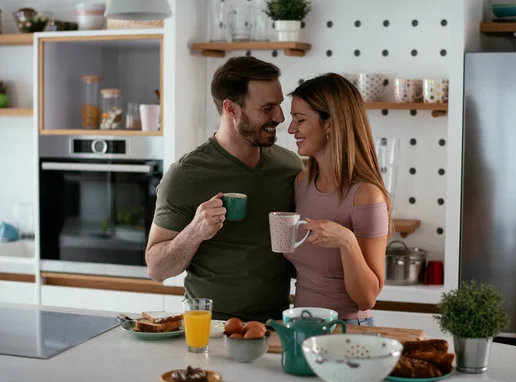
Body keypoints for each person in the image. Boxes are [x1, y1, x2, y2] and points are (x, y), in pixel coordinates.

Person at [145, 56, 304, 322]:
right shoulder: (185, 175)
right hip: (210, 327)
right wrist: (196, 231)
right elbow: (157, 269)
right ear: (231, 109)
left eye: (279, 105)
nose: (280, 116)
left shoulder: (290, 166)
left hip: (277, 325)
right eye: (267, 108)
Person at [285, 73, 392, 326]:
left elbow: (366, 298)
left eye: (300, 120)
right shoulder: (302, 183)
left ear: (331, 123)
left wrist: (346, 241)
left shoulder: (366, 195)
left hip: (346, 329)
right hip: (300, 325)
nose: (291, 129)